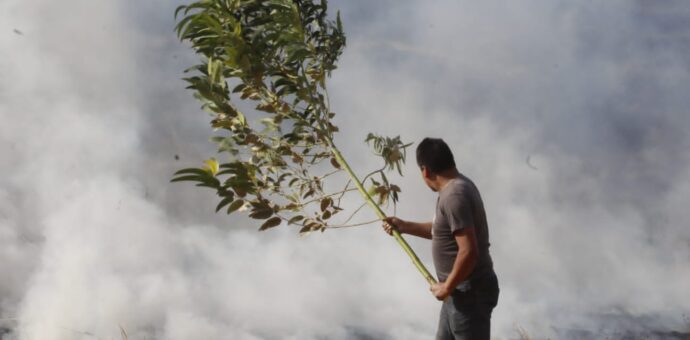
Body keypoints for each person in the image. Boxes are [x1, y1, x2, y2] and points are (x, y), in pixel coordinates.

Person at [382, 137, 499, 340]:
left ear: (425, 170)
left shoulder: (454, 196)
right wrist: (404, 226)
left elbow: (469, 251)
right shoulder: (456, 188)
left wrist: (447, 286)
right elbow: (443, 232)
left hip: (469, 293)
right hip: (457, 291)